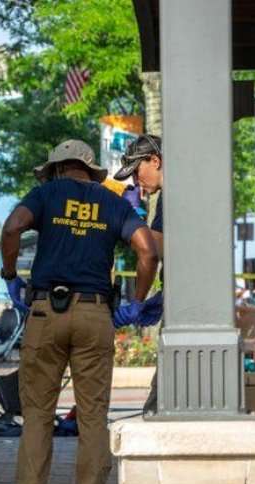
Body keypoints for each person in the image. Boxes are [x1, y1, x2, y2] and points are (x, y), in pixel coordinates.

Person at [0, 139, 159, 484]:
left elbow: (12, 227)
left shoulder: (45, 194)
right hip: (94, 314)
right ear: (90, 170)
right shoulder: (112, 203)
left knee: (37, 413)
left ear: (56, 169)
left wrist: (9, 275)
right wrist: (137, 302)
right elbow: (147, 252)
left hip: (44, 312)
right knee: (92, 416)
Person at [113, 134, 165, 414]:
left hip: (194, 308)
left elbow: (155, 250)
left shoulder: (175, 194)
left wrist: (131, 216)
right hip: (181, 297)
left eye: (137, 172)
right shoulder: (168, 196)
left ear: (154, 160)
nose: (135, 182)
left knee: (161, 397)